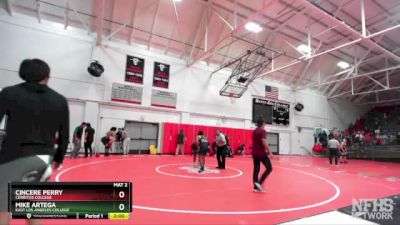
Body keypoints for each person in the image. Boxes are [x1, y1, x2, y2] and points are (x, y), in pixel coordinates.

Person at [0, 59, 69, 225]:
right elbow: (64, 134)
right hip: (44, 159)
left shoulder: (8, 93)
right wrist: (58, 159)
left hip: (13, 156)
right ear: (46, 77)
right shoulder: (59, 99)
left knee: (3, 207)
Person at [252, 117, 273, 192]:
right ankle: (259, 183)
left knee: (256, 170)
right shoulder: (263, 131)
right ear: (263, 123)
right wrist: (270, 152)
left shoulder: (254, 131)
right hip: (261, 153)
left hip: (254, 153)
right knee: (269, 168)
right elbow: (264, 142)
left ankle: (255, 187)